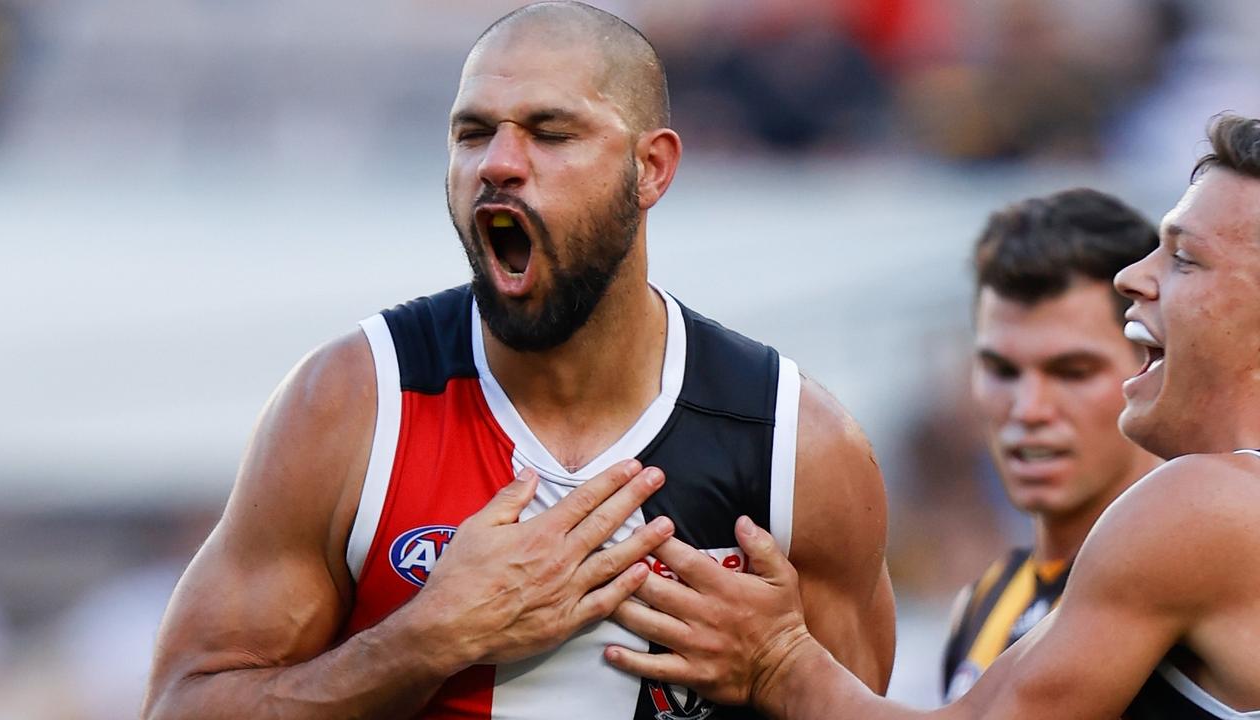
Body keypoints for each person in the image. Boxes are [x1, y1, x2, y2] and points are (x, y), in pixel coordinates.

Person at [142, 3, 895, 719]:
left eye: (550, 133)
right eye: (472, 134)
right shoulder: (352, 405)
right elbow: (181, 703)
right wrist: (422, 641)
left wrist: (783, 668)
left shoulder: (798, 445)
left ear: (652, 169)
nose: (499, 163)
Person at [604, 113, 1260, 719]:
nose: (1134, 277)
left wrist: (781, 663)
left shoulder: (1203, 506)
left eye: (1184, 257)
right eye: (1001, 369)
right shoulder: (996, 602)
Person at [942, 189, 1162, 700]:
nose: (1028, 408)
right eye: (1001, 370)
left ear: (1152, 364)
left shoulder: (1210, 580)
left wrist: (785, 662)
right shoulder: (982, 603)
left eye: (1072, 372)